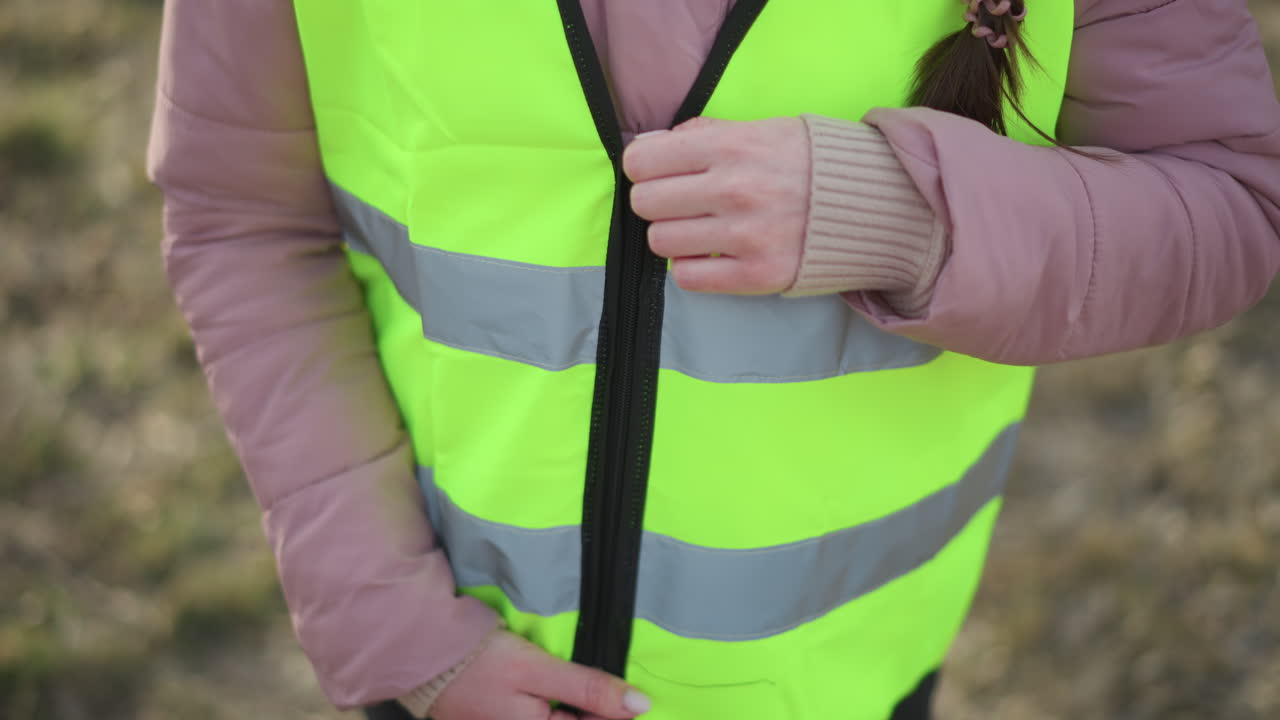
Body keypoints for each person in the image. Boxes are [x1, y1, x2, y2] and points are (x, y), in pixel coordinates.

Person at [148, 1, 1280, 718]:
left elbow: (1226, 201)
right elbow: (244, 219)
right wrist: (396, 626)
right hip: (450, 661)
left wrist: (903, 216)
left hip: (837, 683)